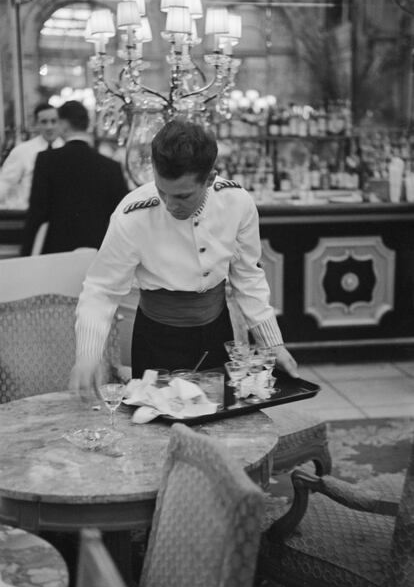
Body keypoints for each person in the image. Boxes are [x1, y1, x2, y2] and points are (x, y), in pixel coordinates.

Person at [71, 119, 298, 398]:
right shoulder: (132, 215)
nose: (169, 204)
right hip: (156, 338)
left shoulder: (237, 203)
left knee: (218, 423)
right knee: (156, 430)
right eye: (161, 190)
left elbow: (248, 276)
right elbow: (101, 290)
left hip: (217, 331)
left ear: (211, 179)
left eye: (182, 196)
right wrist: (88, 355)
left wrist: (273, 344)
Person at [20, 100, 128, 255]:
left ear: (64, 124)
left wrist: (26, 254)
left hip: (56, 251)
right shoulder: (110, 166)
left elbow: (37, 213)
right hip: (99, 251)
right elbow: (120, 215)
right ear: (87, 124)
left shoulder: (46, 160)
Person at [0, 103, 63, 208]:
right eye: (44, 122)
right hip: (27, 214)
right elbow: (5, 183)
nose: (49, 127)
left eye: (53, 121)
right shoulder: (22, 151)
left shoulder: (66, 149)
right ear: (36, 124)